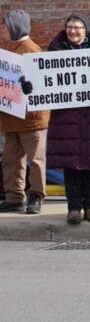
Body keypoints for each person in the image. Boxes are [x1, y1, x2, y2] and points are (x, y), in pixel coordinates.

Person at [45, 13, 90, 225]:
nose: (73, 31)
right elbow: (43, 78)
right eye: (70, 27)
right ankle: (74, 208)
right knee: (71, 164)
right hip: (66, 115)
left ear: (86, 30)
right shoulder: (55, 50)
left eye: (77, 27)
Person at [0, 11, 50, 215]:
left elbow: (43, 85)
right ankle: (14, 197)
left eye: (4, 26)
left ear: (14, 27)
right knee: (12, 159)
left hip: (32, 117)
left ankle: (36, 196)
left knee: (36, 160)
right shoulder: (6, 49)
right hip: (11, 115)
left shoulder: (32, 51)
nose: (2, 30)